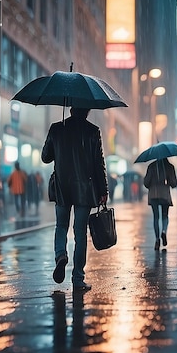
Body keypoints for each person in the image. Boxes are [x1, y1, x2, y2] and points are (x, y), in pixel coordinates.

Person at [41, 107, 108, 291]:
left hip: (62, 187)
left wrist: (58, 143)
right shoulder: (93, 131)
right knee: (80, 233)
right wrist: (103, 190)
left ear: (70, 110)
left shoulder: (56, 128)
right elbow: (98, 163)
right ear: (86, 112)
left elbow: (45, 157)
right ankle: (78, 278)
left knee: (61, 226)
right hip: (84, 190)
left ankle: (61, 254)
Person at [143, 158, 177, 250]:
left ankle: (157, 239)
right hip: (164, 194)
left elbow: (146, 183)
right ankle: (164, 231)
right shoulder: (170, 167)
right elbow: (174, 183)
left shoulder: (151, 166)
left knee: (156, 217)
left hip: (153, 194)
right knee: (165, 216)